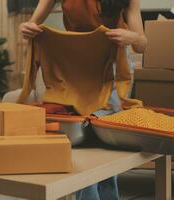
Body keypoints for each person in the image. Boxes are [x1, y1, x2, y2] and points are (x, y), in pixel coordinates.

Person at [19, 0, 147, 199]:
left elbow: (142, 45)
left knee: (105, 138)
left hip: (111, 63)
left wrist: (132, 37)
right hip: (74, 64)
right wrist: (26, 28)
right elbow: (31, 24)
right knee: (80, 138)